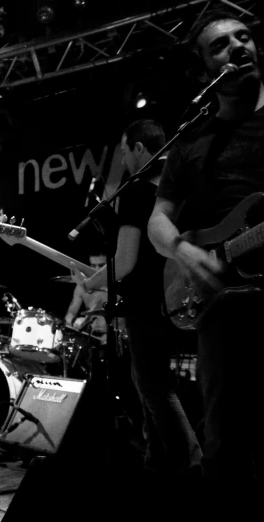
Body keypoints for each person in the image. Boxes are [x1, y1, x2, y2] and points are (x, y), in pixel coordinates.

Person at [147, 9, 264, 505]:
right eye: (221, 45)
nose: (239, 47)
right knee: (225, 437)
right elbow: (158, 220)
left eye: (244, 37)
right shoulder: (191, 142)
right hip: (225, 302)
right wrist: (183, 249)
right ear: (203, 72)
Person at [73, 120, 202, 476]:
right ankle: (157, 468)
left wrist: (92, 282)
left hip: (145, 304)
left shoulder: (134, 193)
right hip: (178, 301)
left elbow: (125, 263)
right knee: (152, 393)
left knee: (155, 391)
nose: (124, 158)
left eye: (125, 150)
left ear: (140, 149)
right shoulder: (175, 191)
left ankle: (194, 468)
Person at [64, 253, 108, 341]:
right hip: (90, 336)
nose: (96, 270)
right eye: (93, 266)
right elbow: (70, 314)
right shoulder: (82, 286)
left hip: (113, 337)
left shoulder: (118, 287)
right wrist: (73, 321)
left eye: (101, 266)